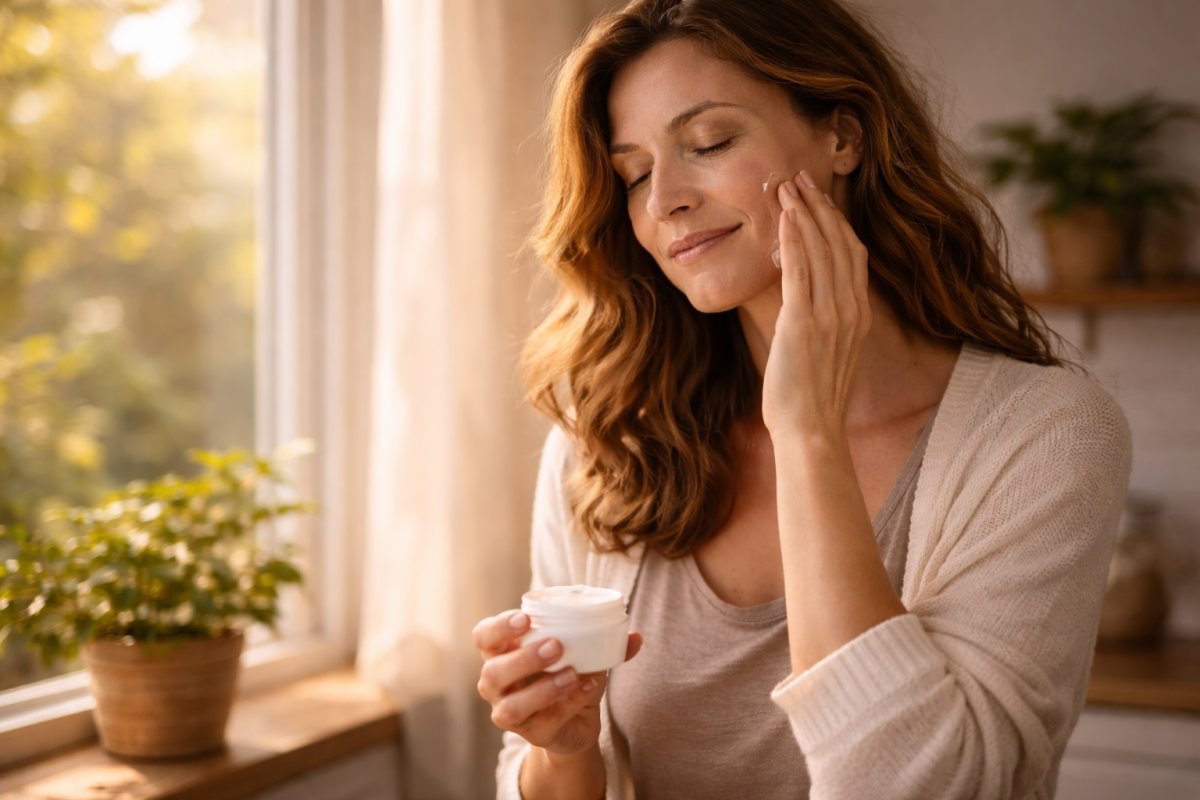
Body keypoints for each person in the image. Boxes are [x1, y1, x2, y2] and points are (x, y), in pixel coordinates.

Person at [473, 0, 1132, 797]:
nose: (664, 200)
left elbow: (926, 786)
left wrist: (808, 434)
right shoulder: (608, 434)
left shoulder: (1045, 435)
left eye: (709, 142)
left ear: (843, 136)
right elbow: (551, 782)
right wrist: (565, 749)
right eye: (635, 173)